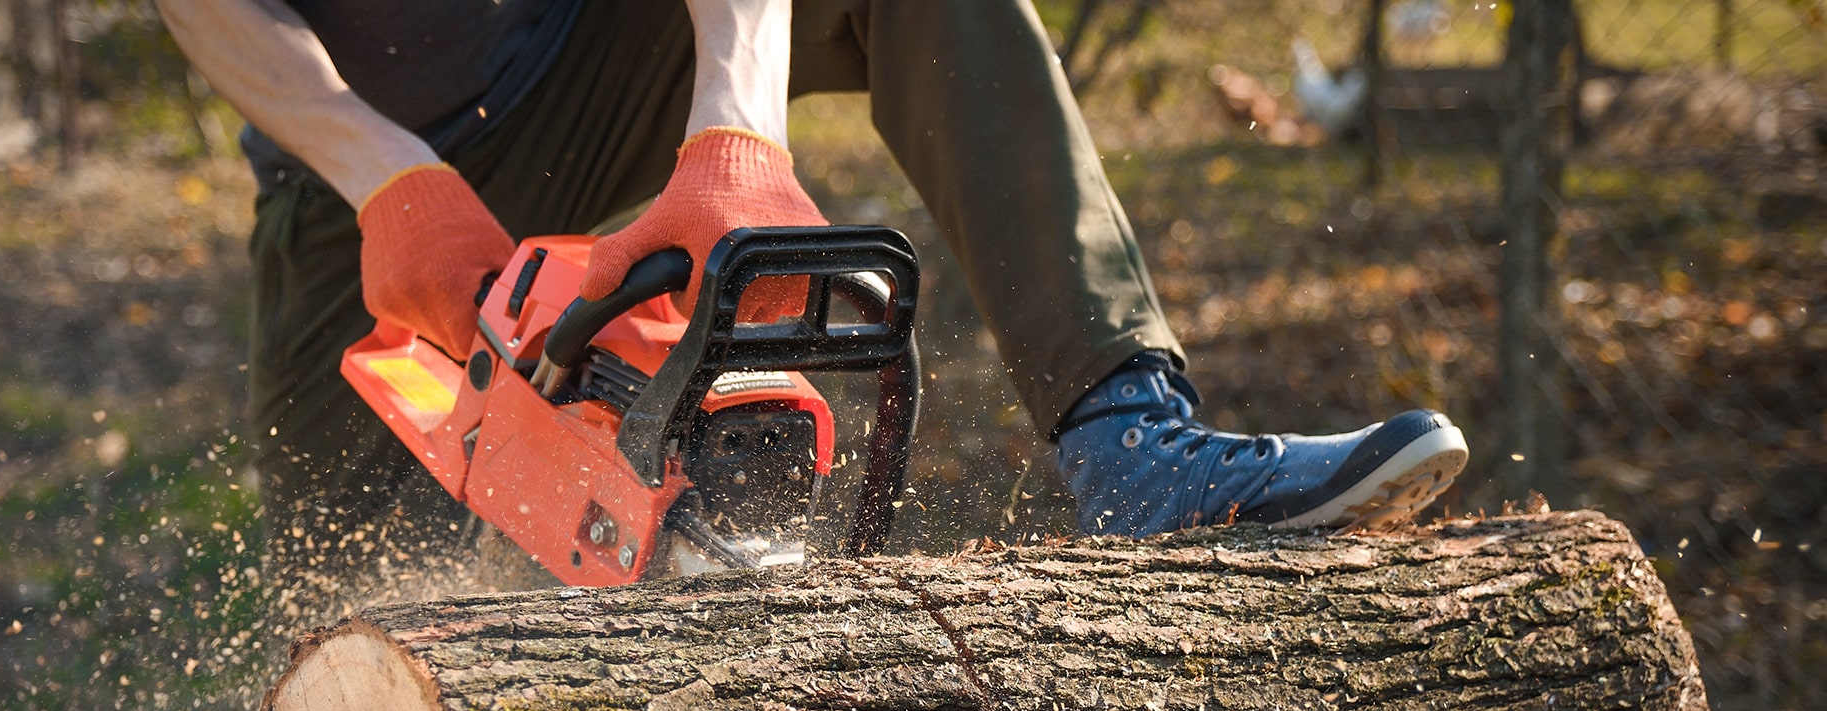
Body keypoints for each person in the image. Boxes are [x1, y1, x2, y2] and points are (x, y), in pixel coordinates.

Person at [155, 0, 1469, 578]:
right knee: (349, 629)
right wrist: (383, 176)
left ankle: (1128, 438)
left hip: (584, 48)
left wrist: (736, 134)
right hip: (347, 163)